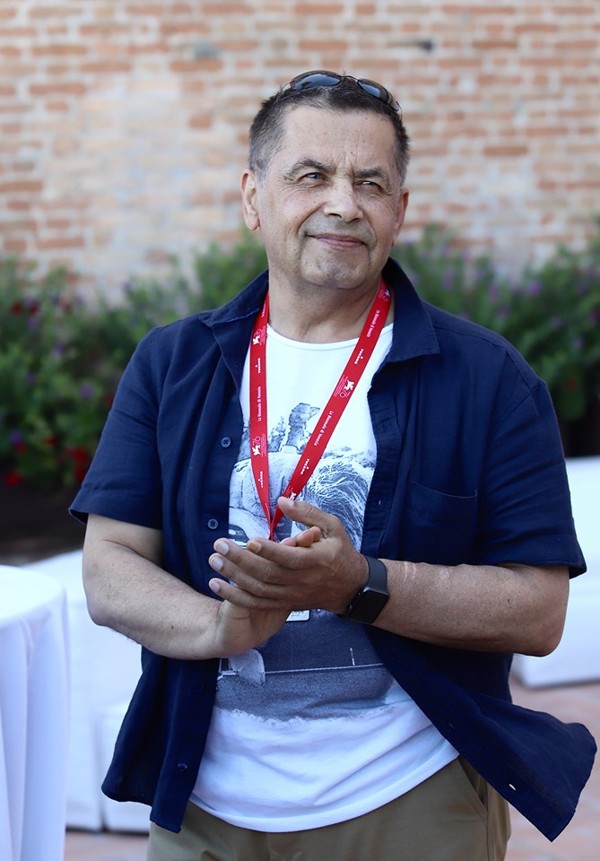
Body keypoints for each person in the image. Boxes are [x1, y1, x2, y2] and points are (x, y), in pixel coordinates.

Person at [71, 70, 596, 861]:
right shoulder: (172, 364)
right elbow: (109, 565)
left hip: (410, 800)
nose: (344, 204)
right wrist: (220, 625)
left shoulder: (489, 380)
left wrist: (358, 584)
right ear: (253, 197)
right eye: (311, 175)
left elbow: (539, 610)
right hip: (205, 807)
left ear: (399, 212)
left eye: (371, 183)